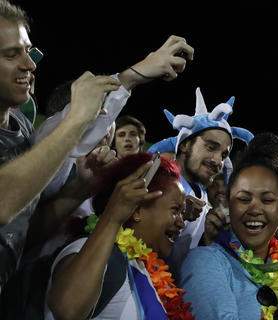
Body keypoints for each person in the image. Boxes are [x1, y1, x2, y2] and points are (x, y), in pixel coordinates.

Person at [0, 0, 194, 291]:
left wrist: (78, 190)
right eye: (11, 54)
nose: (29, 64)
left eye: (28, 51)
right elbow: (4, 201)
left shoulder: (21, 128)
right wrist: (77, 118)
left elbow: (23, 229)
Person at [180, 133, 278, 319]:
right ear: (228, 204)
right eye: (244, 199)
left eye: (267, 200)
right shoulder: (205, 262)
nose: (255, 209)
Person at [45, 153, 192, 320]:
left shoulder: (143, 269)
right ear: (137, 210)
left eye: (183, 213)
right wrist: (113, 217)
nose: (182, 223)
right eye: (175, 210)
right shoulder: (89, 250)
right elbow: (67, 309)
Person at [161, 89, 253, 269]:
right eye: (211, 147)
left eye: (224, 154)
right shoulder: (154, 183)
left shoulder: (206, 201)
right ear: (186, 144)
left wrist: (208, 238)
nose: (218, 161)